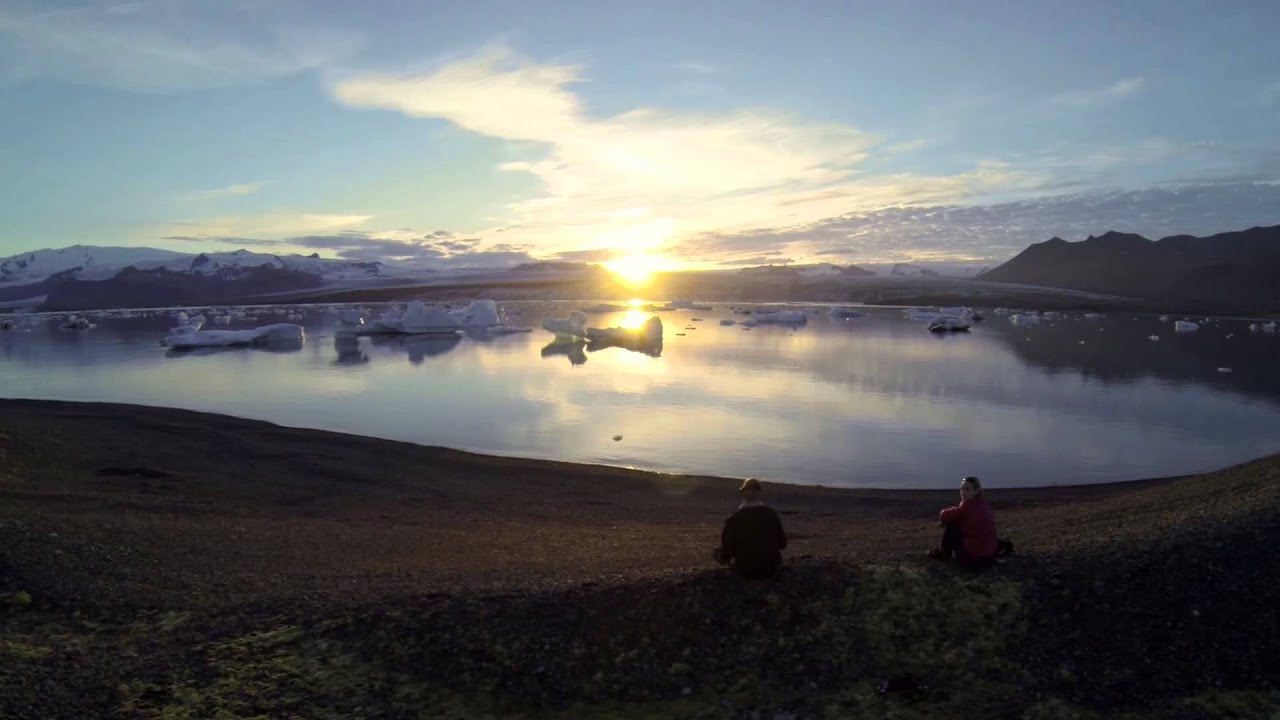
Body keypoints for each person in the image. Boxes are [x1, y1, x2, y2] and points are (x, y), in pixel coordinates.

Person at [714, 477, 788, 579]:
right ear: (760, 493)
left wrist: (723, 557)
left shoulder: (734, 519)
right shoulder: (772, 514)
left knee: (717, 552)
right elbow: (782, 544)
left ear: (743, 493)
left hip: (746, 570)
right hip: (772, 568)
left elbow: (728, 549)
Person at [930, 476, 1009, 567]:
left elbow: (943, 515)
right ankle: (1004, 545)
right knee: (983, 536)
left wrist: (947, 520)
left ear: (976, 491)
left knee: (951, 524)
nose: (963, 493)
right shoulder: (984, 505)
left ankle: (944, 554)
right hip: (989, 555)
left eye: (967, 490)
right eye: (962, 489)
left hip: (972, 560)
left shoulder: (967, 507)